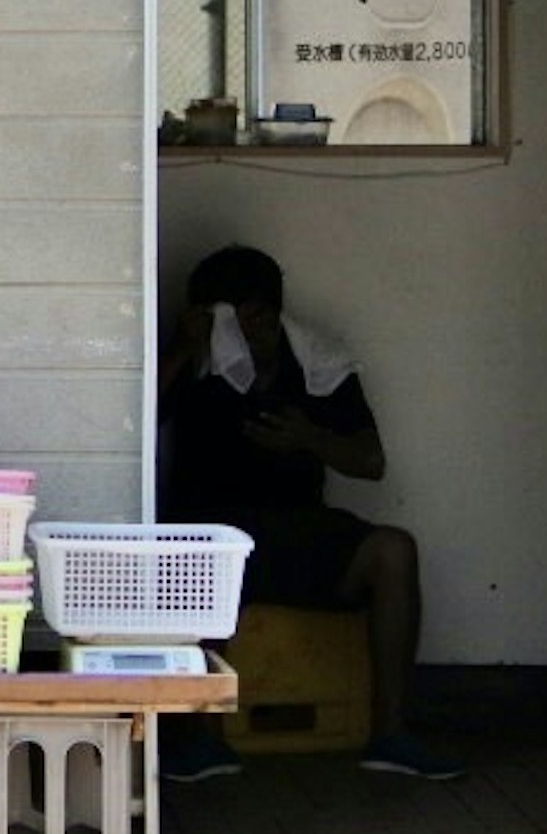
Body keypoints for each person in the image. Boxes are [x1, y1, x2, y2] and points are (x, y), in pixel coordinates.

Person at [154, 243, 459, 782]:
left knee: (393, 549)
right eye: (223, 323)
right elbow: (128, 427)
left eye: (248, 321)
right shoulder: (191, 358)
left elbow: (370, 461)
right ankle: (202, 740)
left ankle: (391, 733)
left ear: (271, 314)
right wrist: (183, 350)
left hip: (300, 530)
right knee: (198, 552)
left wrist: (308, 437)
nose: (238, 337)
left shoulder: (314, 360)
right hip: (213, 534)